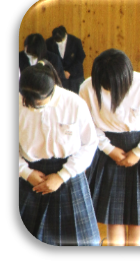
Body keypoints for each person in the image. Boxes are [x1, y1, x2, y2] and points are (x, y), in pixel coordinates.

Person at [79, 48, 140, 246]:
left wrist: (139, 151)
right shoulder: (87, 87)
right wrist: (108, 148)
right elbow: (87, 125)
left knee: (139, 220)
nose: (110, 91)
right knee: (114, 219)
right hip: (108, 151)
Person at [19, 60, 100, 246]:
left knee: (82, 241)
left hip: (68, 173)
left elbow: (89, 144)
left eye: (39, 103)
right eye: (30, 103)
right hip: (31, 176)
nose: (34, 106)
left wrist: (62, 176)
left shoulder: (74, 103)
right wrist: (25, 172)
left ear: (51, 90)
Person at [46, 26, 86, 94]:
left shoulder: (76, 42)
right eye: (57, 41)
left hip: (75, 78)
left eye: (61, 40)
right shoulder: (48, 43)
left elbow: (80, 59)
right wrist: (61, 72)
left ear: (65, 35)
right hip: (58, 78)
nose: (59, 43)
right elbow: (48, 60)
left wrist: (69, 72)